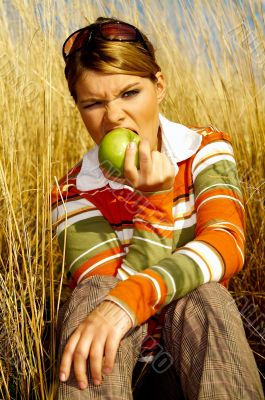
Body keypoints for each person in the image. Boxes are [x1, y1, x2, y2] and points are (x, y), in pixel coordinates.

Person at [51, 16, 263, 399]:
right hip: (118, 364)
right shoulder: (71, 192)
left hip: (202, 351)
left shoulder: (204, 148)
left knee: (205, 294)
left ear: (159, 85)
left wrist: (128, 302)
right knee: (94, 293)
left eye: (130, 93)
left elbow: (226, 243)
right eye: (94, 103)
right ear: (79, 108)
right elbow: (106, 294)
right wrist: (154, 204)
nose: (113, 116)